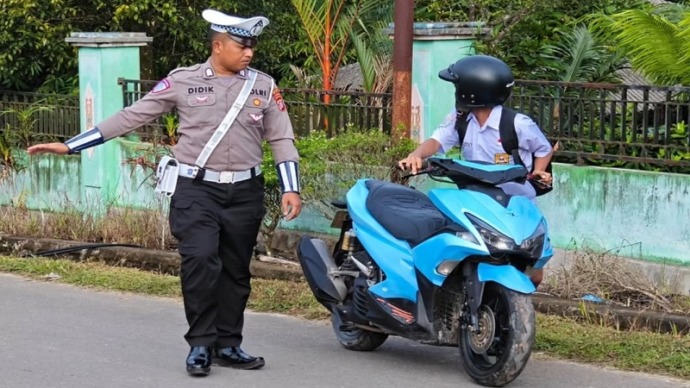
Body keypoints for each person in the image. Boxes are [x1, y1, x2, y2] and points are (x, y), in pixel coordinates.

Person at [27, 9, 302, 377]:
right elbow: (132, 116)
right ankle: (201, 344)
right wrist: (72, 145)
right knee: (201, 261)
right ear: (218, 46)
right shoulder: (183, 81)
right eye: (241, 46)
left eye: (252, 46)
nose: (249, 53)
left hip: (244, 191)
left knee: (236, 270)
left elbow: (281, 137)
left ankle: (228, 343)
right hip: (196, 190)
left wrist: (291, 187)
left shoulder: (264, 86)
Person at [398, 54, 552, 287]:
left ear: (471, 91)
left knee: (532, 270)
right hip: (477, 200)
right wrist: (417, 155)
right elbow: (437, 141)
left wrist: (538, 171)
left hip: (515, 202)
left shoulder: (518, 123)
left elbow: (543, 149)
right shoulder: (460, 118)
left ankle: (517, 306)